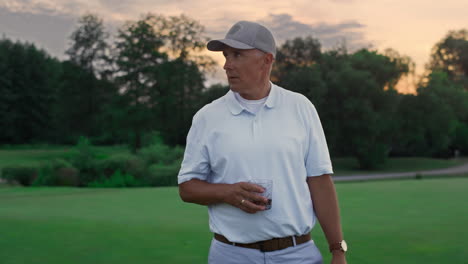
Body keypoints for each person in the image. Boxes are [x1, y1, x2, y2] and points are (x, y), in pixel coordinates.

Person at [178, 20, 348, 264]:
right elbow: (187, 188)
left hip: (297, 254)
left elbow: (320, 181)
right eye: (226, 56)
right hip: (231, 254)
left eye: (237, 55)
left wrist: (337, 250)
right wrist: (227, 192)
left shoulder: (300, 107)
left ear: (266, 60)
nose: (227, 65)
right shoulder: (207, 117)